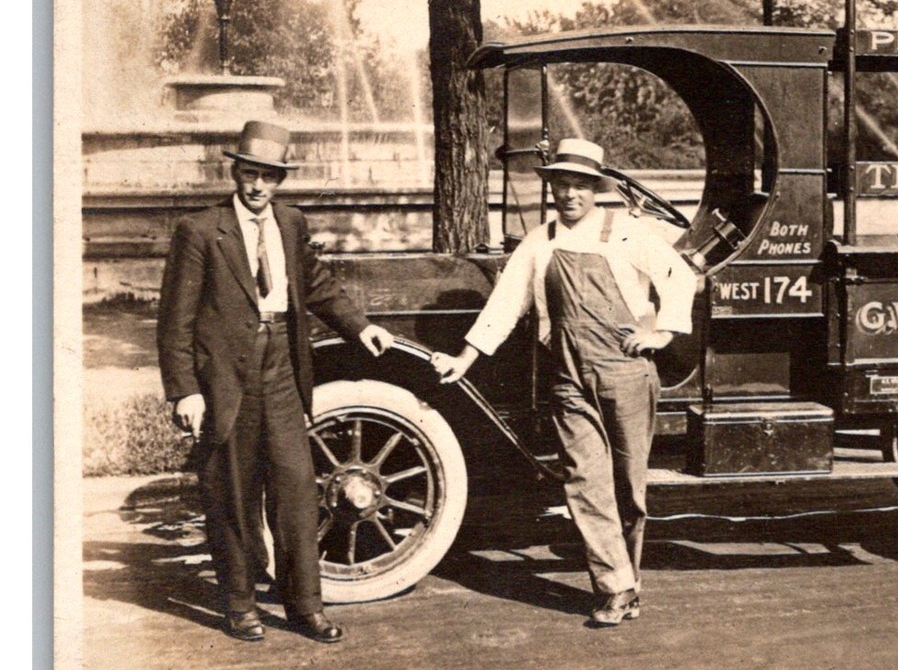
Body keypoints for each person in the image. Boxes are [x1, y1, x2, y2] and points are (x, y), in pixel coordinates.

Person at [430, 138, 694, 626]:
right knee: (584, 480)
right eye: (561, 185)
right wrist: (465, 357)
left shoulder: (625, 231)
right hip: (568, 377)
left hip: (625, 373)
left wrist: (660, 333)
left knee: (629, 488)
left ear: (595, 189)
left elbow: (681, 276)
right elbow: (507, 302)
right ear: (551, 187)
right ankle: (615, 586)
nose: (569, 195)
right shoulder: (541, 240)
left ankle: (628, 581)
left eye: (580, 186)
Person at [158, 120, 393, 643]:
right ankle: (240, 606)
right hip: (226, 379)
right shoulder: (200, 230)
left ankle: (306, 607)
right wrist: (185, 390)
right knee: (235, 493)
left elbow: (317, 285)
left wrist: (362, 327)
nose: (258, 186)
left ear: (280, 180)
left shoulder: (290, 223)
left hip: (283, 369)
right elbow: (175, 320)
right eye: (249, 174)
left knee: (294, 492)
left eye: (268, 176)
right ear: (235, 173)